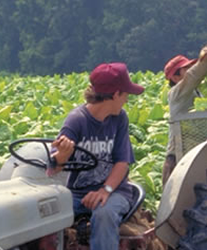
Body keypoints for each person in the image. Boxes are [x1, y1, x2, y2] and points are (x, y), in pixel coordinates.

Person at [48, 62, 145, 250]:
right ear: (116, 94)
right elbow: (54, 167)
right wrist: (63, 154)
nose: (126, 100)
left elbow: (122, 162)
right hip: (77, 194)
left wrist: (104, 191)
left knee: (104, 213)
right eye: (125, 95)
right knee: (47, 212)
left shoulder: (119, 119)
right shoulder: (77, 120)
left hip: (114, 190)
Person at [161, 17, 207, 185]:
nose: (191, 69)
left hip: (192, 155)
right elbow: (196, 73)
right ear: (176, 76)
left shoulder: (195, 92)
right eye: (186, 68)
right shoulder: (177, 93)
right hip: (177, 159)